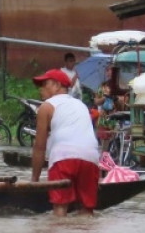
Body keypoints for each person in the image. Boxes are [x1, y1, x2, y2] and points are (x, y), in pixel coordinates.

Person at [30, 68, 100, 217]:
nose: (40, 90)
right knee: (87, 211)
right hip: (91, 157)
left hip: (63, 157)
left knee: (60, 208)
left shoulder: (46, 107)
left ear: (56, 85)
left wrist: (34, 180)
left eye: (44, 84)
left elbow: (39, 147)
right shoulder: (81, 105)